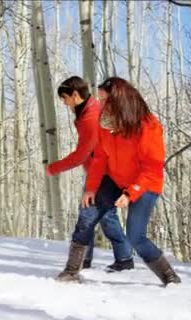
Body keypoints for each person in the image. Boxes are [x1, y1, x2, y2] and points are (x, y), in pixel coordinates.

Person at [60, 77, 181, 286]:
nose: (100, 104)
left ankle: (169, 276)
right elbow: (100, 158)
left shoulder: (148, 126)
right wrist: (91, 188)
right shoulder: (105, 124)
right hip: (115, 179)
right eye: (99, 99)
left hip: (145, 184)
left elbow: (151, 168)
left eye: (104, 99)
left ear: (120, 101)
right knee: (87, 214)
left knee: (136, 236)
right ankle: (71, 272)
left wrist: (129, 193)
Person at [48, 76, 133, 273]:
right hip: (102, 172)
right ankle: (123, 258)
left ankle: (84, 261)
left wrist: (54, 167)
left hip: (104, 173)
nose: (63, 102)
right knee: (105, 216)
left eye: (64, 97)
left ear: (75, 95)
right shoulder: (87, 111)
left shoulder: (90, 117)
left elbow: (81, 154)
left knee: (88, 216)